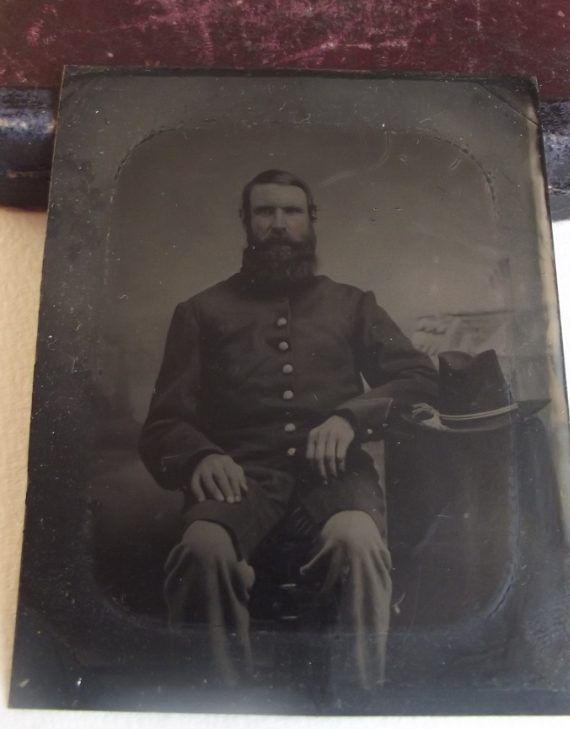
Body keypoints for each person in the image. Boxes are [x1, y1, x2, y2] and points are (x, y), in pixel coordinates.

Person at [139, 169, 438, 696]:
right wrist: (199, 457)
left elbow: (418, 378)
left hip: (335, 481)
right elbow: (164, 424)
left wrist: (350, 417)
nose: (279, 225)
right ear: (246, 222)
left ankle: (358, 699)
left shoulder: (352, 304)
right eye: (266, 212)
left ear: (312, 221)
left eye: (291, 212)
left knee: (358, 541)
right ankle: (219, 704)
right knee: (202, 549)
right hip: (241, 485)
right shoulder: (201, 311)